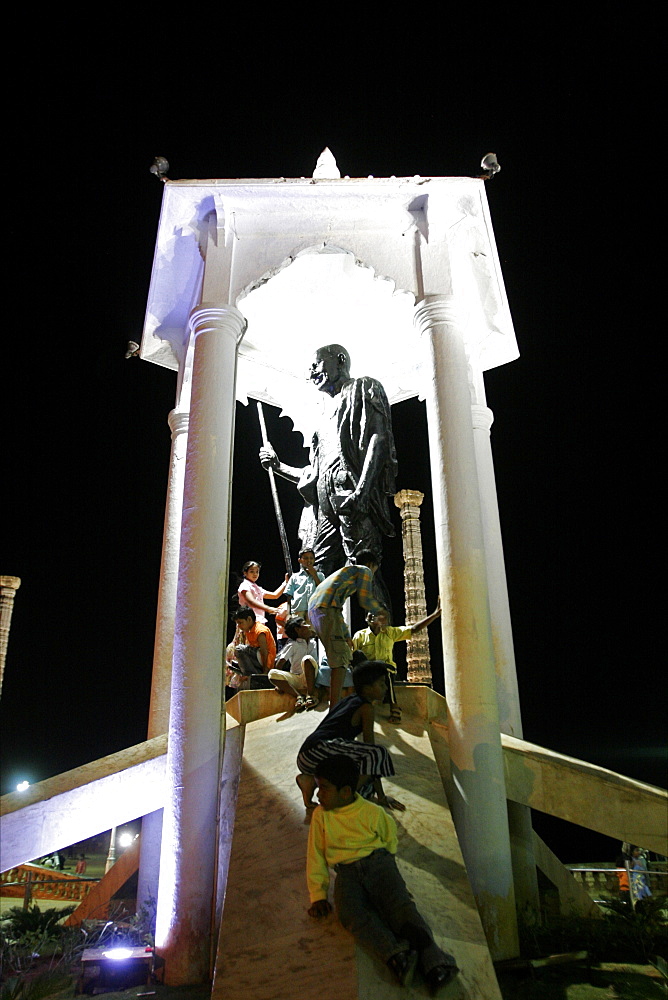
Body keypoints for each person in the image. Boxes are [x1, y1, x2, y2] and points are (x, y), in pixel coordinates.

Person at [306, 754, 459, 993]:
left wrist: (386, 866)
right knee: (351, 913)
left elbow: (390, 840)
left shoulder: (372, 812)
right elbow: (315, 854)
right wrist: (318, 894)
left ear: (345, 792)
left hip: (378, 863)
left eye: (323, 788)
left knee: (399, 908)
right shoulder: (321, 816)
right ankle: (397, 955)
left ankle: (435, 963)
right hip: (346, 871)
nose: (318, 794)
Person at [259, 345, 398, 599]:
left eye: (318, 363)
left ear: (340, 361)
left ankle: (384, 636)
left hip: (351, 494)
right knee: (316, 574)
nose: (312, 371)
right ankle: (315, 638)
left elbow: (379, 438)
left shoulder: (363, 388)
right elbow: (312, 474)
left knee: (365, 572)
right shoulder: (322, 419)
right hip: (324, 505)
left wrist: (362, 491)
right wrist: (278, 467)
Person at [296, 659, 401, 811]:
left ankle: (309, 781)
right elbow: (371, 753)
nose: (385, 688)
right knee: (378, 753)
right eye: (381, 684)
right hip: (317, 751)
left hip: (308, 757)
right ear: (367, 688)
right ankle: (342, 802)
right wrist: (382, 797)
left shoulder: (350, 700)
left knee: (366, 788)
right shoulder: (366, 707)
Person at [308, 550, 387, 707]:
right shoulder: (363, 570)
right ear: (371, 565)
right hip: (325, 610)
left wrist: (346, 635)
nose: (372, 576)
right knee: (341, 659)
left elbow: (337, 612)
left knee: (340, 655)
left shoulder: (342, 576)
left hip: (315, 612)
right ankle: (335, 709)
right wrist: (381, 611)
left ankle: (335, 704)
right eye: (374, 571)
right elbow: (365, 600)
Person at [352, 598, 441, 723]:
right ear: (366, 617)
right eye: (370, 613)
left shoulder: (390, 633)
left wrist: (434, 615)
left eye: (378, 614)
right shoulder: (360, 635)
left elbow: (413, 629)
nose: (373, 616)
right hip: (368, 671)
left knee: (385, 669)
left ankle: (394, 706)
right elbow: (353, 655)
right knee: (358, 655)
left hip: (386, 670)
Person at [267, 616, 320, 710]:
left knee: (307, 659)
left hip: (311, 677)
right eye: (304, 624)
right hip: (296, 678)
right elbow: (280, 663)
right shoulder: (293, 645)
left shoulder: (314, 643)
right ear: (298, 630)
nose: (308, 626)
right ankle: (299, 696)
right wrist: (278, 685)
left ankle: (310, 695)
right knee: (272, 674)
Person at [237, 560, 289, 624]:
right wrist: (268, 608)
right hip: (248, 621)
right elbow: (251, 601)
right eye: (252, 572)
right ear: (245, 573)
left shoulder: (256, 587)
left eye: (257, 572)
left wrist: (285, 583)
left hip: (258, 620)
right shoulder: (245, 585)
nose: (255, 574)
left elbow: (275, 595)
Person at [231, 607, 277, 675]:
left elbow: (264, 652)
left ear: (249, 619)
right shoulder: (248, 630)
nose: (239, 626)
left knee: (239, 649)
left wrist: (265, 671)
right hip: (258, 657)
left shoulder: (260, 631)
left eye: (241, 623)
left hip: (266, 660)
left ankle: (254, 675)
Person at [284, 548, 324, 621]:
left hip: (314, 611)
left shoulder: (320, 575)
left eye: (311, 558)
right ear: (300, 560)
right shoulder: (294, 577)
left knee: (313, 631)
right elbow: (289, 596)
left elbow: (322, 591)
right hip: (298, 611)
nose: (309, 560)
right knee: (298, 631)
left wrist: (314, 575)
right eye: (305, 558)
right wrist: (288, 614)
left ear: (314, 560)